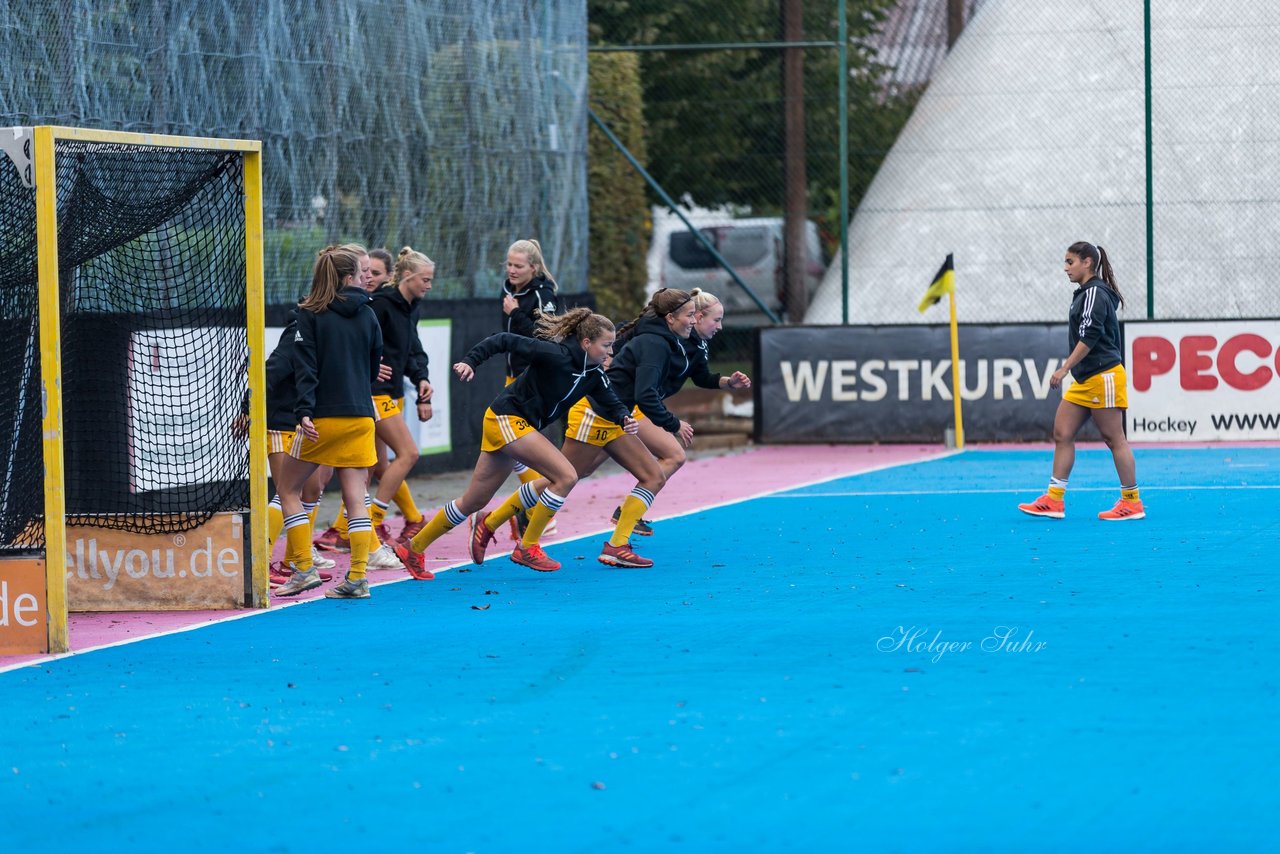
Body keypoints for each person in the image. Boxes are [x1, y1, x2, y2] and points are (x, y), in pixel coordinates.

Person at [395, 308, 636, 577]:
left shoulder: (593, 374)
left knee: (474, 500)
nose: (610, 351)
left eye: (612, 345)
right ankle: (528, 546)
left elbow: (612, 402)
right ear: (586, 343)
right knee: (567, 475)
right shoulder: (554, 354)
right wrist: (471, 361)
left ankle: (413, 548)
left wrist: (625, 418)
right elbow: (502, 340)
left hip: (509, 423)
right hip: (506, 419)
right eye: (606, 345)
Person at [274, 245, 385, 599]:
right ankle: (357, 577)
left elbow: (306, 369)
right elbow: (371, 369)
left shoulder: (309, 315)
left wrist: (304, 411)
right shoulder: (369, 314)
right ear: (349, 277)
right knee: (357, 497)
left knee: (288, 490)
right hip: (361, 417)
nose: (366, 277)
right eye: (362, 272)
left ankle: (303, 567)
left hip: (323, 419)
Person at [606, 288, 752, 535]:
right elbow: (627, 357)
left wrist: (729, 382)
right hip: (630, 405)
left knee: (576, 471)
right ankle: (625, 519)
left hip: (637, 404)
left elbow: (701, 376)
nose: (720, 327)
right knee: (672, 456)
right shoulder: (661, 338)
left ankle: (626, 517)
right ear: (697, 317)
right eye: (716, 320)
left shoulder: (695, 343)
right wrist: (673, 423)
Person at [1018, 242, 1144, 521]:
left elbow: (1089, 338)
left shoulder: (1095, 293)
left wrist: (1064, 369)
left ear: (1087, 262)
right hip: (1086, 379)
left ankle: (1132, 502)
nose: (1065, 268)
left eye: (1070, 262)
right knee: (1062, 432)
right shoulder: (1084, 294)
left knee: (1114, 439)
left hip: (1104, 376)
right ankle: (1053, 500)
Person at [366, 247, 434, 549]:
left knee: (379, 464)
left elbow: (411, 350)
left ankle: (404, 520)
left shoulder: (410, 307)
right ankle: (371, 523)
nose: (429, 286)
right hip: (372, 392)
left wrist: (421, 379)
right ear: (407, 276)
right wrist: (368, 365)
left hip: (389, 392)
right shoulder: (379, 304)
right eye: (426, 279)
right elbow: (362, 341)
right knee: (408, 454)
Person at [500, 239, 560, 538]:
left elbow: (547, 336)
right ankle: (538, 510)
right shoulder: (509, 289)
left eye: (518, 265)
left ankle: (541, 511)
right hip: (513, 377)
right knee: (509, 448)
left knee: (512, 445)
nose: (511, 270)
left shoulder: (542, 294)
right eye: (509, 264)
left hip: (532, 380)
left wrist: (515, 314)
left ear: (533, 268)